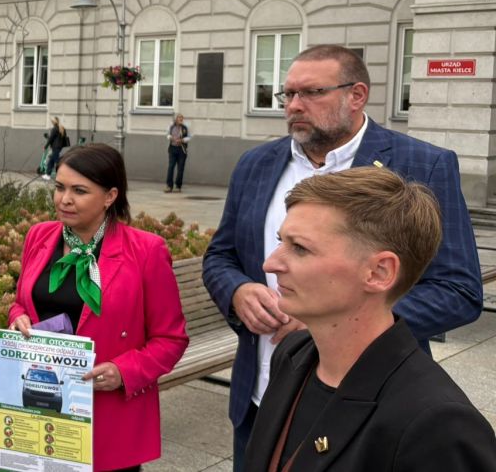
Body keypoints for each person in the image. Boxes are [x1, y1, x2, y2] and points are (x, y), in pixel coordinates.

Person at [201, 45, 482, 470]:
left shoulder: (421, 165)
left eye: (312, 92)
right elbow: (221, 255)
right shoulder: (256, 164)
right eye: (287, 94)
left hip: (371, 406)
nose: (294, 105)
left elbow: (458, 290)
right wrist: (238, 291)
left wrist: (334, 318)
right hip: (264, 396)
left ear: (357, 95)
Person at [242, 168, 496, 471]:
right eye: (279, 241)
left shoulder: (438, 425)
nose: (270, 264)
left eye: (300, 248)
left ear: (379, 272)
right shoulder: (294, 354)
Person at [10, 143, 188, 471]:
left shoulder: (146, 251)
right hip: (42, 403)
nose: (64, 199)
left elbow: (171, 340)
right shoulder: (39, 236)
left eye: (79, 190)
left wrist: (124, 372)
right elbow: (23, 303)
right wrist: (17, 316)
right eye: (59, 187)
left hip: (108, 414)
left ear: (110, 196)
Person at [164, 113, 190, 193]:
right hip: (172, 149)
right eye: (179, 118)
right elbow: (167, 134)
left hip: (182, 150)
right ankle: (169, 186)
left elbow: (189, 137)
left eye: (182, 119)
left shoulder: (185, 128)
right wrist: (171, 138)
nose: (181, 120)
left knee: (180, 168)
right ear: (176, 119)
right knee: (171, 167)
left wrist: (182, 140)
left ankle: (178, 186)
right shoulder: (171, 126)